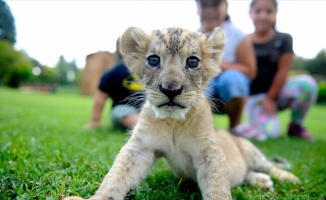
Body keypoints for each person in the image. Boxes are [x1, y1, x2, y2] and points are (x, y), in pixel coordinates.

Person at [236, 0, 317, 140]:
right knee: (268, 135)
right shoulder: (243, 41)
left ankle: (295, 126)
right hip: (254, 98)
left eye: (268, 11)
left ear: (275, 14)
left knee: (307, 84)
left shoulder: (284, 39)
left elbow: (283, 71)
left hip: (277, 94)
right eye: (258, 11)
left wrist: (270, 98)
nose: (263, 16)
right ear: (250, 14)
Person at [196, 0, 257, 133]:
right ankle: (200, 128)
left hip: (230, 87)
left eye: (215, 4)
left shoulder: (238, 35)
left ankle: (235, 127)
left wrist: (216, 64)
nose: (209, 10)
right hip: (205, 89)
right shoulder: (192, 37)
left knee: (232, 79)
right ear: (197, 9)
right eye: (204, 5)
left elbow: (250, 70)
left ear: (226, 7)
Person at [85, 39, 144, 131]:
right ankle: (147, 128)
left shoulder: (150, 70)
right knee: (122, 113)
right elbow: (101, 96)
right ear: (120, 49)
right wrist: (95, 121)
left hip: (145, 109)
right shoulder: (114, 73)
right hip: (123, 109)